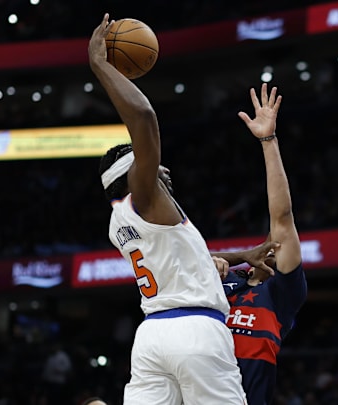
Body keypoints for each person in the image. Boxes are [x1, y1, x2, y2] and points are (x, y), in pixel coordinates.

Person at [89, 14, 273, 405]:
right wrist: (100, 65)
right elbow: (144, 118)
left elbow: (186, 260)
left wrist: (242, 256)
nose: (164, 169)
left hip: (152, 337)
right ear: (135, 173)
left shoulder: (120, 219)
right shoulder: (146, 196)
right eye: (155, 166)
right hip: (197, 332)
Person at [212, 84, 308, 404]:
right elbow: (178, 260)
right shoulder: (222, 279)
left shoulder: (281, 296)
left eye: (277, 245)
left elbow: (282, 217)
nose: (273, 248)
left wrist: (268, 141)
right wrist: (234, 258)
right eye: (268, 244)